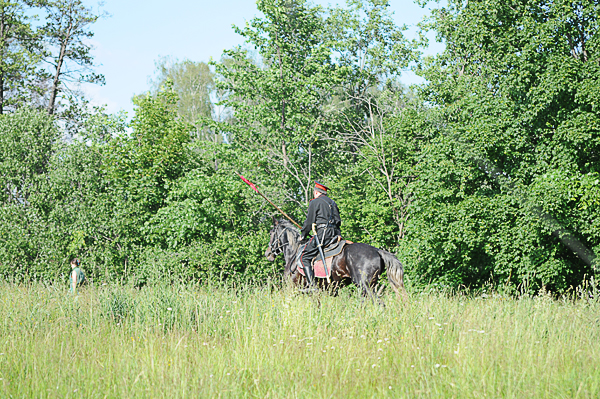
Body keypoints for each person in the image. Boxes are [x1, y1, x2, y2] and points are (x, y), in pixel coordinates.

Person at [299, 181, 342, 290]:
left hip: (323, 234)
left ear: (316, 192)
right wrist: (338, 234)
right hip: (334, 234)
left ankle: (312, 285)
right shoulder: (332, 203)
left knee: (304, 257)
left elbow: (309, 222)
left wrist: (303, 234)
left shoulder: (315, 202)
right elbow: (338, 221)